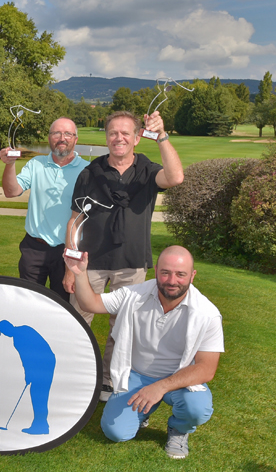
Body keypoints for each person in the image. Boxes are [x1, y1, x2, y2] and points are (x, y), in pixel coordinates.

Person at [64, 110, 184, 401]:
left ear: (137, 137)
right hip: (89, 263)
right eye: (113, 133)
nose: (119, 138)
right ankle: (77, 379)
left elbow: (176, 177)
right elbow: (74, 220)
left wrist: (163, 137)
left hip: (131, 263)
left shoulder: (146, 170)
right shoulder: (90, 173)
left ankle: (108, 381)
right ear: (106, 137)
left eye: (125, 133)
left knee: (123, 328)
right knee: (78, 321)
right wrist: (70, 265)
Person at [64, 246, 223, 459]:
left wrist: (160, 387)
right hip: (136, 375)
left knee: (197, 408)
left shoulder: (207, 314)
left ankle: (179, 429)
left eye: (180, 274)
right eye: (165, 272)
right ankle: (144, 410)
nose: (172, 280)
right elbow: (90, 303)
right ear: (156, 270)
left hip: (178, 379)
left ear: (192, 276)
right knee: (116, 432)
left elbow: (206, 369)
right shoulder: (134, 294)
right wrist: (80, 273)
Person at [0, 118, 88, 300]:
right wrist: (10, 164)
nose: (62, 138)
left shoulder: (88, 170)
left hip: (68, 251)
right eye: (56, 133)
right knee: (28, 304)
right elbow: (11, 192)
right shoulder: (36, 164)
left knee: (63, 309)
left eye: (67, 134)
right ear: (49, 138)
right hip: (34, 248)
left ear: (75, 139)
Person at [0, 320, 56, 435]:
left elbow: (28, 358)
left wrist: (29, 374)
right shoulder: (24, 329)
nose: (5, 334)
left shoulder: (19, 338)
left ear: (7, 329)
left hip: (44, 364)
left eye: (3, 332)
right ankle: (41, 424)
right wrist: (29, 374)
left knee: (38, 394)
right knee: (38, 393)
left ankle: (40, 425)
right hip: (47, 361)